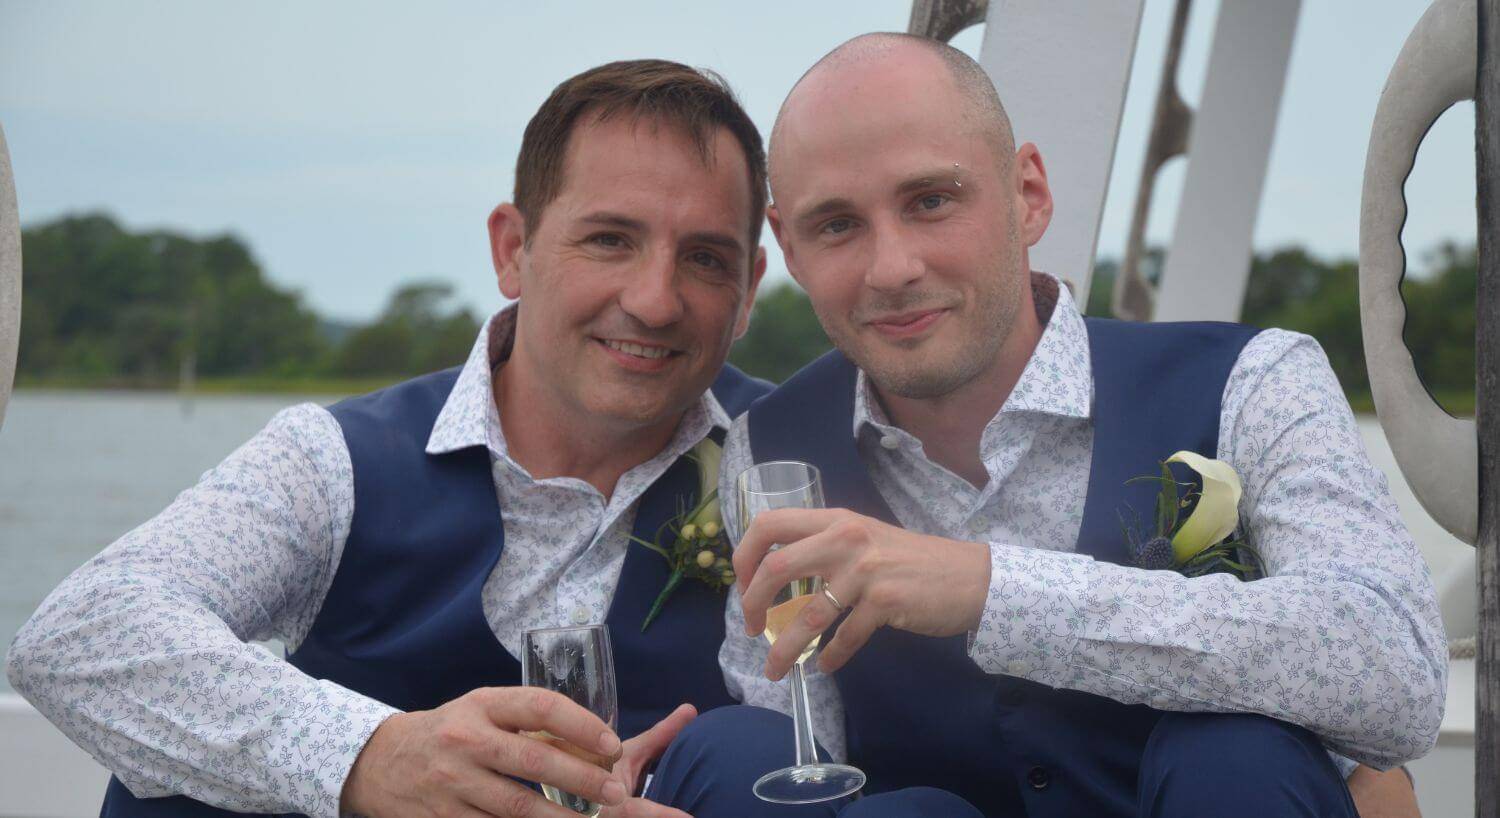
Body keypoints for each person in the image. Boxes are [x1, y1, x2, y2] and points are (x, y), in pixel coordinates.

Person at [691, 33, 1444, 818]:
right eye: (837, 225)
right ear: (790, 248)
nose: (893, 268)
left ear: (1028, 195)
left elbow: (1398, 673)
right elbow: (794, 746)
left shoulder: (1254, 378)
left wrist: (991, 590)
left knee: (1234, 757)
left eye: (931, 201)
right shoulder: (770, 446)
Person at [5, 59, 771, 818]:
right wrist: (371, 757)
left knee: (747, 758)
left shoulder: (785, 458)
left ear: (748, 293)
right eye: (609, 239)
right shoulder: (337, 459)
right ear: (513, 250)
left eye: (705, 259)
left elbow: (822, 744)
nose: (655, 300)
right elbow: (80, 632)